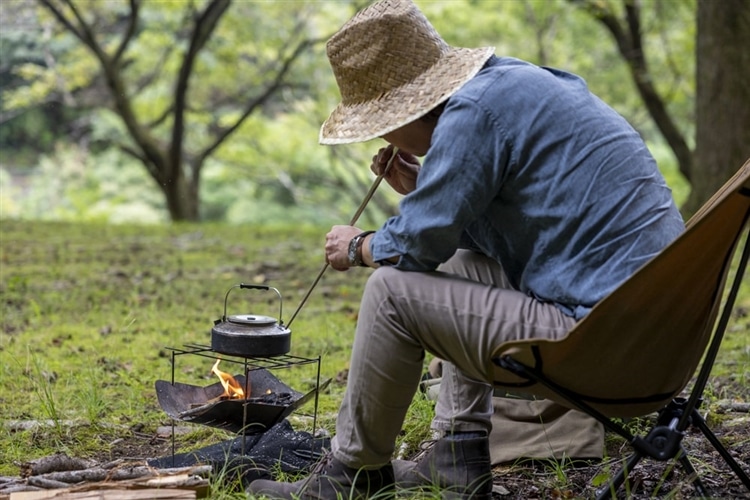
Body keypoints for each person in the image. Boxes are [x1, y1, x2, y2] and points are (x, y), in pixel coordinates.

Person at [247, 0, 685, 498]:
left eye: (382, 124)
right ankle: (458, 454)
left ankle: (352, 475)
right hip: (656, 336)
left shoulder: (471, 113)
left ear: (409, 107)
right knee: (460, 265)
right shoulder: (514, 86)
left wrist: (360, 245)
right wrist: (428, 190)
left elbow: (415, 246)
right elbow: (511, 230)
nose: (388, 139)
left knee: (390, 289)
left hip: (605, 348)